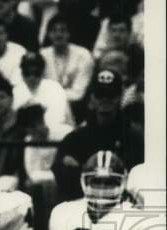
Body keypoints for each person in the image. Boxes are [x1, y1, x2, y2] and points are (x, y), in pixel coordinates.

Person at [51, 69, 144, 200]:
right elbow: (62, 177)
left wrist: (83, 169)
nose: (105, 100)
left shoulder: (134, 136)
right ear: (92, 98)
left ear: (119, 96)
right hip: (83, 202)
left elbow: (137, 175)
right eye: (100, 94)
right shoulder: (75, 138)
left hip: (123, 202)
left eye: (111, 94)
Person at [41, 13, 95, 116]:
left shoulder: (83, 55)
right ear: (48, 34)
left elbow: (78, 94)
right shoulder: (42, 55)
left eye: (62, 30)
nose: (58, 35)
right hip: (47, 107)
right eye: (54, 30)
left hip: (76, 108)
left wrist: (53, 97)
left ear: (69, 34)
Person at [12, 51, 73, 132]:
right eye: (27, 73)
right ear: (22, 73)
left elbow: (56, 121)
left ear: (43, 72)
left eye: (36, 73)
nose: (31, 77)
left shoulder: (54, 88)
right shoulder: (16, 91)